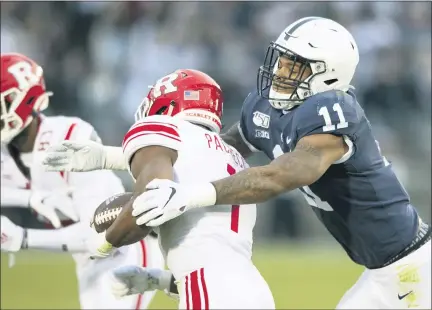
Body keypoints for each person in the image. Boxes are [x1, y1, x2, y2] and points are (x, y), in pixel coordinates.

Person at [43, 17, 431, 309]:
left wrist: (192, 196)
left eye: (294, 66)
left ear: (327, 75)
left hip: (412, 266)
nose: (280, 72)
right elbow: (210, 152)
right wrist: (110, 156)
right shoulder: (265, 109)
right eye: (281, 61)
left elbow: (288, 173)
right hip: (381, 271)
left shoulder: (333, 108)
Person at [44, 69, 275, 309]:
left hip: (207, 289)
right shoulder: (232, 157)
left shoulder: (160, 128)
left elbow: (149, 204)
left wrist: (104, 243)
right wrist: (159, 280)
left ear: (166, 106)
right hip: (253, 290)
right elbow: (218, 260)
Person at [0, 52, 164, 309]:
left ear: (25, 99)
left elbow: (98, 233)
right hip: (87, 258)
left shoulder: (68, 138)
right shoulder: (6, 152)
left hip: (123, 249)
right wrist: (28, 198)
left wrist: (22, 238)